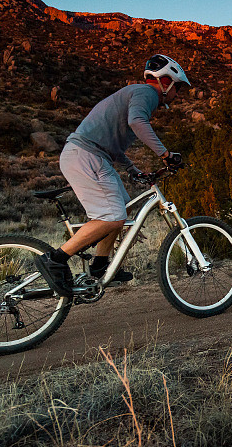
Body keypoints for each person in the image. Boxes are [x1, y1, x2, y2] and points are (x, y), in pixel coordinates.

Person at [35, 54, 190, 296]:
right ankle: (55, 260)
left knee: (121, 209)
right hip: (87, 155)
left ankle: (100, 265)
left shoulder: (135, 94)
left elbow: (113, 146)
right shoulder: (147, 93)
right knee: (112, 216)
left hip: (91, 155)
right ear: (166, 81)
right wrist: (166, 154)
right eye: (178, 88)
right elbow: (137, 122)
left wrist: (133, 170)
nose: (177, 95)